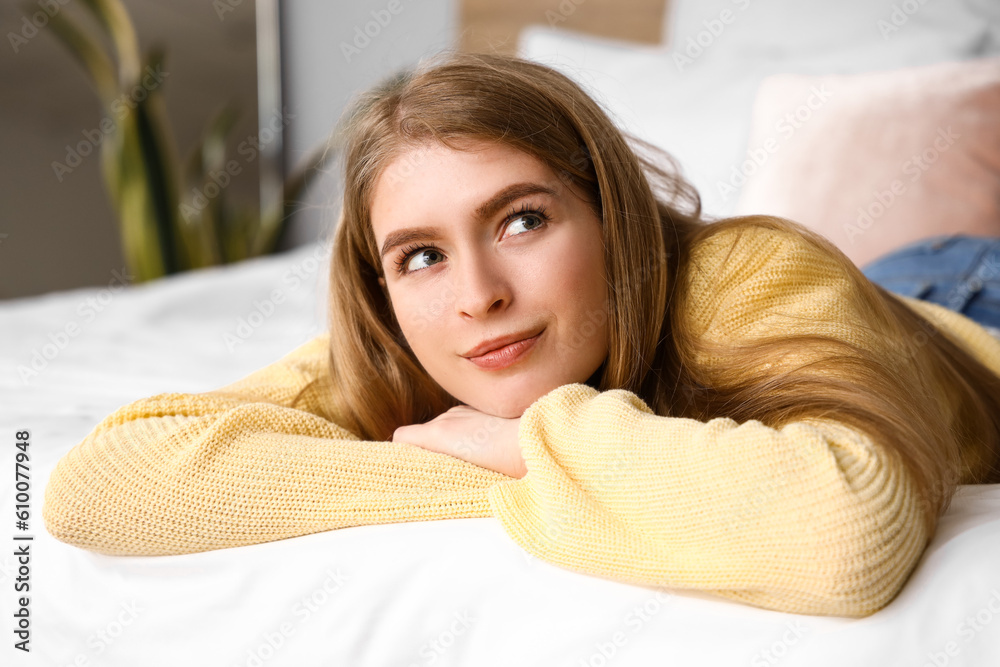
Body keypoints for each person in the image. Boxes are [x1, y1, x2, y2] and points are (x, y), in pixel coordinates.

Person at [43, 52, 1000, 618]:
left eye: (521, 221)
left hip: (960, 300)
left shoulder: (745, 273)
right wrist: (484, 469)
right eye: (420, 254)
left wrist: (519, 440)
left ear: (612, 214)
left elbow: (843, 535)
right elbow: (99, 483)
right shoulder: (403, 341)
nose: (477, 298)